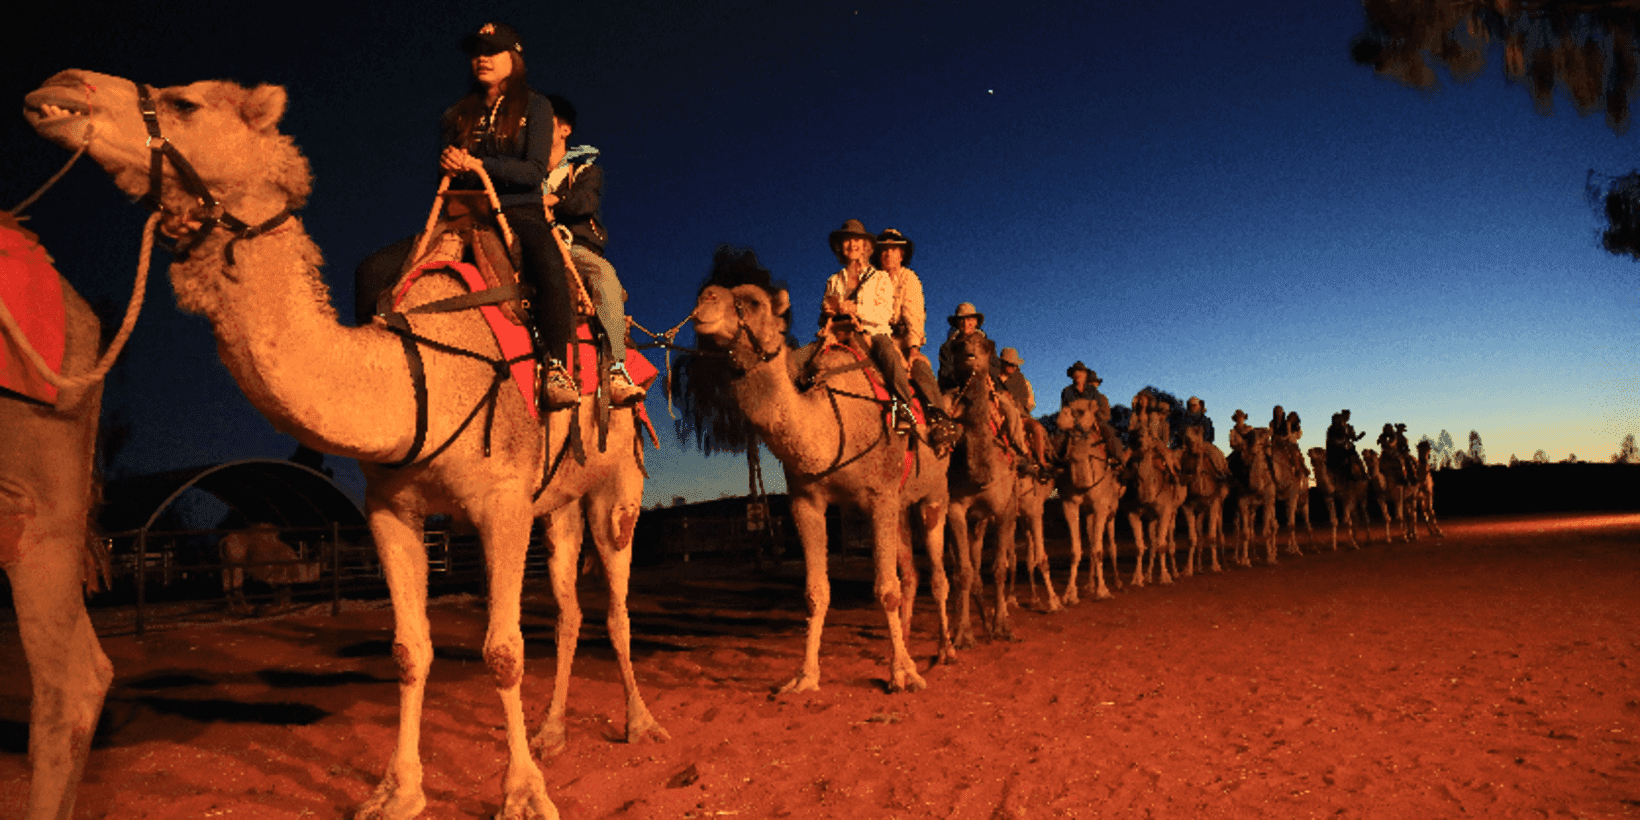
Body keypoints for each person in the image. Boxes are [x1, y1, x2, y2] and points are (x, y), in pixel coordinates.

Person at [352, 22, 577, 409]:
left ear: (515, 58)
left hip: (517, 211)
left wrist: (477, 163)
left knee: (548, 262)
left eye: (492, 50)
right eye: (476, 52)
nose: (482, 58)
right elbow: (448, 175)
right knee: (370, 270)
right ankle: (366, 367)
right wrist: (451, 161)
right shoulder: (460, 114)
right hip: (461, 216)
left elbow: (533, 171)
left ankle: (557, 366)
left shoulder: (537, 107)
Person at [540, 94, 643, 405]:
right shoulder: (524, 174)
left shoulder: (584, 171)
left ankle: (615, 369)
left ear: (564, 130)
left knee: (601, 272)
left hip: (572, 246)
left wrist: (553, 201)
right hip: (530, 241)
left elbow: (586, 202)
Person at [818, 219, 918, 430]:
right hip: (838, 334)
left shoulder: (880, 278)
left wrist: (857, 310)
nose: (852, 244)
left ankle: (904, 406)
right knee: (810, 361)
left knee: (888, 355)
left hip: (873, 333)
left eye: (857, 240)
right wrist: (828, 312)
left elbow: (884, 313)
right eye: (846, 241)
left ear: (865, 246)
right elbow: (824, 314)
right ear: (840, 247)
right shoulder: (833, 281)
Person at [872, 228, 945, 416]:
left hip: (902, 341)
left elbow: (914, 315)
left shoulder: (909, 278)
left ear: (901, 254)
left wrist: (913, 349)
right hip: (874, 338)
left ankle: (939, 419)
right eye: (884, 250)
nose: (888, 254)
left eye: (893, 249)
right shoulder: (872, 280)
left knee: (920, 369)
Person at [1059, 362, 1126, 465]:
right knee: (1059, 436)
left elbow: (1098, 409)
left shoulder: (1094, 392)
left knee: (1109, 431)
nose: (1078, 375)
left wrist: (1089, 414)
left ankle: (1117, 457)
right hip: (1073, 420)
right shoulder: (1067, 391)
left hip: (1093, 418)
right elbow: (1065, 408)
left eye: (1080, 372)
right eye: (1076, 372)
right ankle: (1055, 461)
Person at [997, 348, 1035, 414]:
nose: (1013, 367)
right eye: (1010, 364)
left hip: (1020, 414)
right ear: (1002, 363)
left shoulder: (1025, 383)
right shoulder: (992, 378)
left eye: (1014, 364)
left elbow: (1031, 404)